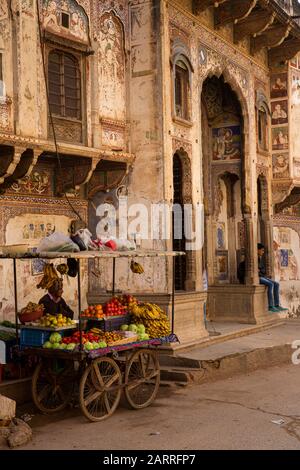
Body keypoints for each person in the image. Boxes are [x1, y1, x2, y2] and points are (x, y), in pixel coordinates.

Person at [257, 243, 288, 313]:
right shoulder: (254, 258)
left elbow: (262, 269)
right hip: (257, 277)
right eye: (261, 250)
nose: (263, 252)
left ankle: (277, 305)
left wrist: (261, 270)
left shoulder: (260, 258)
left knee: (276, 284)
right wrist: (260, 270)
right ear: (257, 250)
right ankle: (270, 306)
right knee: (271, 284)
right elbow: (256, 270)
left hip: (262, 275)